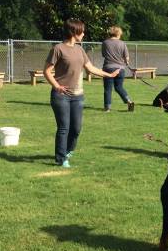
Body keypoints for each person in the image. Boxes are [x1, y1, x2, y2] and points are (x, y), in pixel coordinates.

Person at [44, 19, 120, 167]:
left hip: (78, 96)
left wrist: (109, 75)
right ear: (74, 32)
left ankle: (68, 151)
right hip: (61, 96)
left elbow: (91, 68)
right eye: (82, 31)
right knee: (64, 127)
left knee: (76, 128)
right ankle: (61, 159)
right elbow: (46, 71)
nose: (84, 34)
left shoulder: (80, 50)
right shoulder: (58, 49)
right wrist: (57, 86)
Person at [101, 25, 134, 112]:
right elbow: (126, 58)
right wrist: (126, 62)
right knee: (119, 87)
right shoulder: (122, 43)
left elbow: (104, 55)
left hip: (108, 68)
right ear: (118, 34)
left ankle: (107, 108)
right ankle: (129, 101)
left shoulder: (105, 43)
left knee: (108, 89)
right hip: (120, 69)